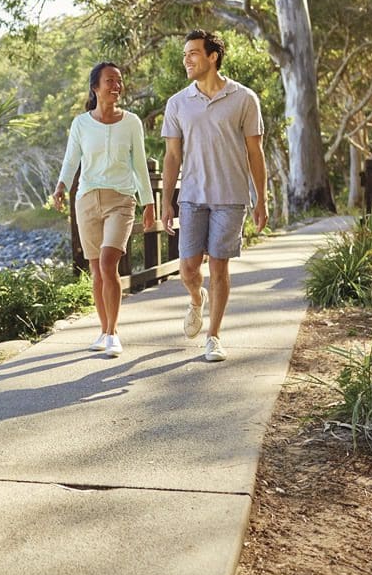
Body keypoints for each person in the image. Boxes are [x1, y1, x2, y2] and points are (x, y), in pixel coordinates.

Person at [160, 30, 267, 362]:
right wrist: (166, 200)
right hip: (191, 196)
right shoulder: (177, 103)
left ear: (213, 56)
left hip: (231, 197)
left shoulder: (244, 98)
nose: (187, 60)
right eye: (184, 55)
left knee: (219, 267)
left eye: (193, 53)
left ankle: (214, 337)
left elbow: (255, 151)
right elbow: (172, 157)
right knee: (188, 269)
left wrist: (261, 198)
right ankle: (196, 300)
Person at [53, 62, 156, 357]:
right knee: (96, 270)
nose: (116, 85)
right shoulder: (81, 124)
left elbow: (139, 164)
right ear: (95, 87)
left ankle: (113, 333)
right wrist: (61, 186)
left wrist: (149, 203)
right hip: (86, 199)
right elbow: (72, 160)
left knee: (109, 264)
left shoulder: (132, 122)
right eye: (110, 80)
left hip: (121, 199)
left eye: (119, 81)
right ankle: (103, 329)